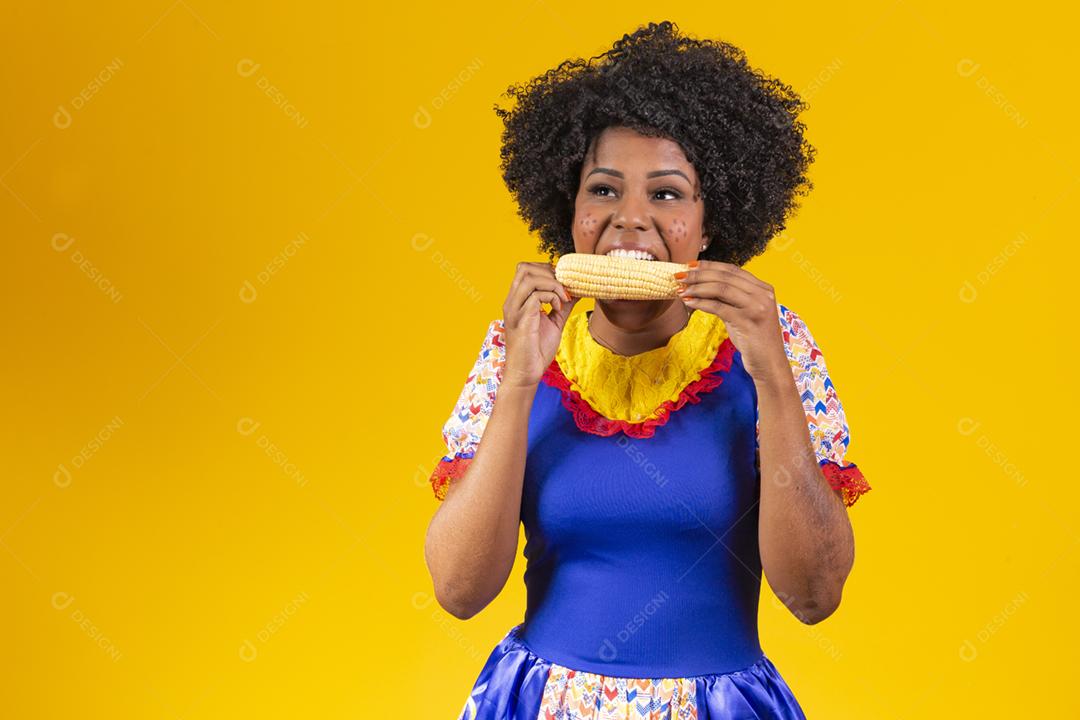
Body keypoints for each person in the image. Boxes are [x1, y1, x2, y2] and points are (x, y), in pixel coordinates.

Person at [423, 20, 871, 719]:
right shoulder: (520, 343)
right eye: (602, 190)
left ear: (711, 220)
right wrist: (518, 382)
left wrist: (774, 381)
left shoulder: (771, 346)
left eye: (665, 194)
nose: (629, 220)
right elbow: (458, 589)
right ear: (567, 210)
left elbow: (814, 596)